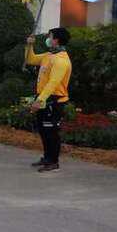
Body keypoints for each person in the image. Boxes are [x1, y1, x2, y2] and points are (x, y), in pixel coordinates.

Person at [25, 28, 72, 173]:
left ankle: (53, 162)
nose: (48, 39)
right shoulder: (49, 55)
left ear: (56, 40)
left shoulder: (61, 60)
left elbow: (53, 83)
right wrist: (29, 45)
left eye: (50, 36)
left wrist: (39, 101)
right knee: (43, 130)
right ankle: (47, 157)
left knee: (51, 131)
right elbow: (30, 59)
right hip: (44, 97)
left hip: (55, 100)